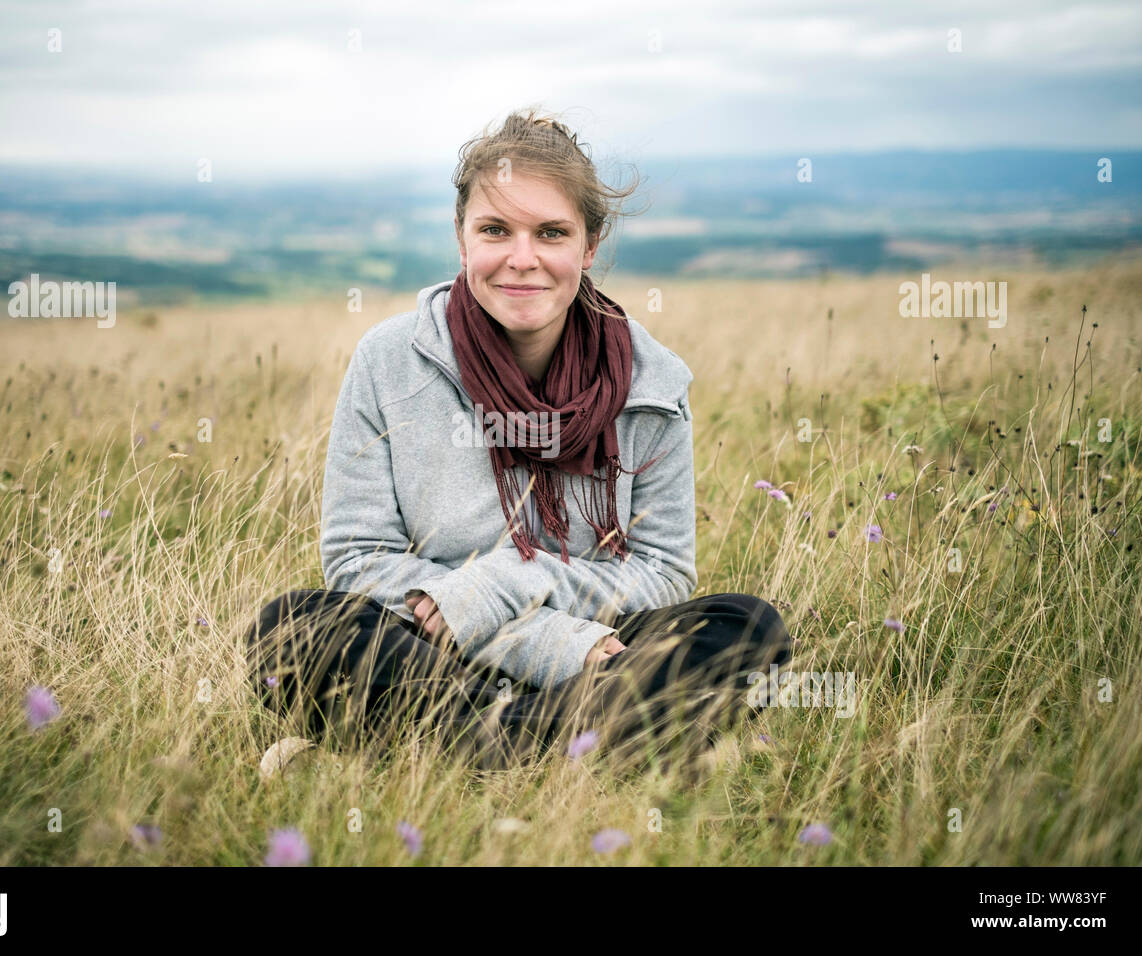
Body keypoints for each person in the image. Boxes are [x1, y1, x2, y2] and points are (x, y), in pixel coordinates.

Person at [246, 107, 792, 773]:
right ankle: (579, 754)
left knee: (745, 633)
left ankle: (445, 758)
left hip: (600, 647)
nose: (522, 259)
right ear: (461, 237)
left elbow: (663, 576)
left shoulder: (651, 384)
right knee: (296, 631)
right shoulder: (390, 360)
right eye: (496, 230)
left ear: (590, 247)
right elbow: (359, 561)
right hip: (437, 641)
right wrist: (545, 642)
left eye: (552, 232)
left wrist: (504, 587)